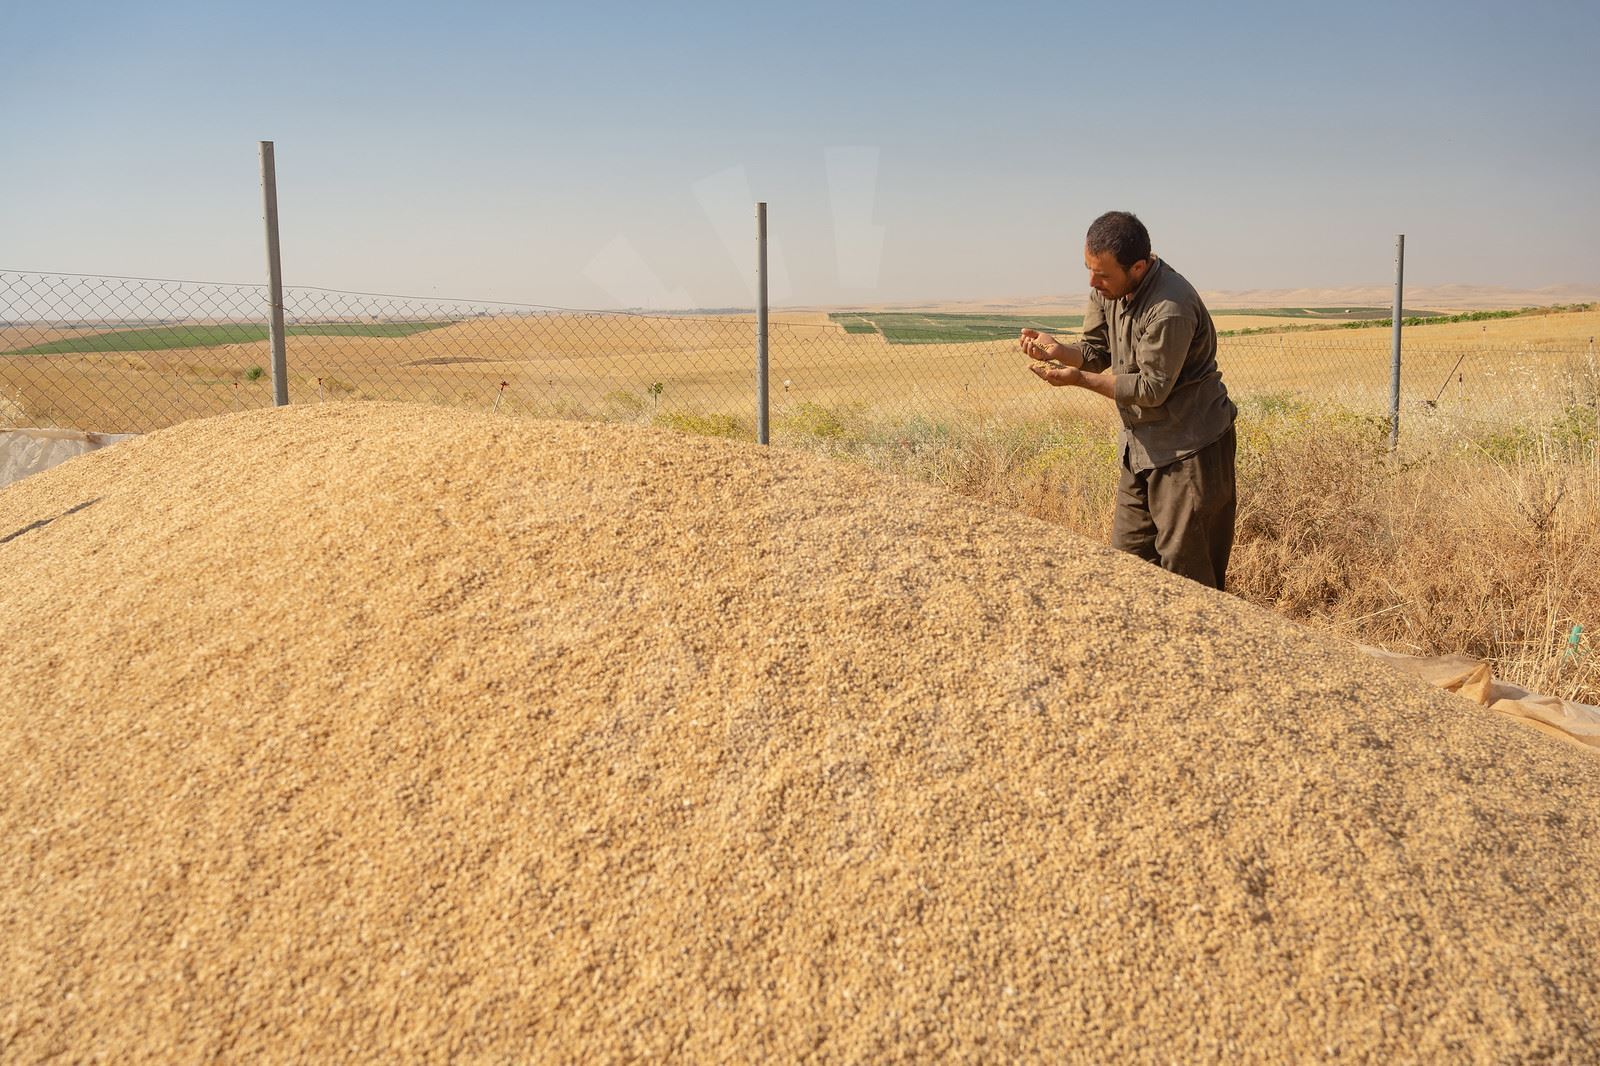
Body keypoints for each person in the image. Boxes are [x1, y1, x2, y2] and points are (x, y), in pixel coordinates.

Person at [1018, 211, 1237, 590]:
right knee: (1126, 569)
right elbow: (1096, 350)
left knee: (1188, 581)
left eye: (1102, 274)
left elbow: (1151, 389)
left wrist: (1079, 380)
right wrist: (1059, 351)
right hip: (1141, 449)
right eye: (1089, 269)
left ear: (1138, 267)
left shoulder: (1170, 307)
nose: (1092, 281)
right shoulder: (1107, 289)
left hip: (1189, 452)